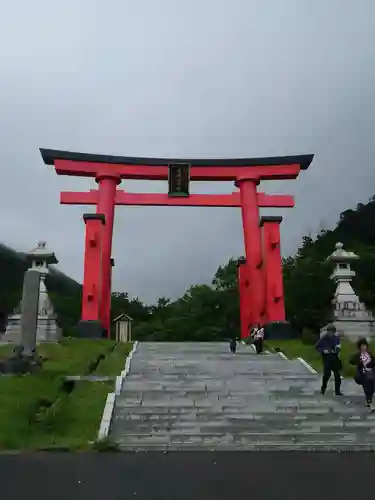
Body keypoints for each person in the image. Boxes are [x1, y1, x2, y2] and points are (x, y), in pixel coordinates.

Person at [315, 323, 343, 396]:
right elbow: (317, 346)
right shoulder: (324, 338)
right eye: (329, 331)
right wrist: (323, 350)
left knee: (337, 375)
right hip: (327, 358)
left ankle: (337, 391)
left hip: (335, 358)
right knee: (327, 375)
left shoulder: (336, 338)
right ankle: (323, 389)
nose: (330, 333)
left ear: (334, 332)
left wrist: (337, 349)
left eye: (331, 332)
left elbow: (339, 346)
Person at [350, 338, 375, 411]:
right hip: (362, 374)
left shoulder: (370, 354)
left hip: (371, 372)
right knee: (368, 381)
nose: (364, 347)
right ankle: (369, 401)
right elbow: (352, 361)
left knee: (370, 383)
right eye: (362, 346)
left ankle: (369, 400)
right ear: (359, 347)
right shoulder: (358, 355)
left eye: (365, 346)